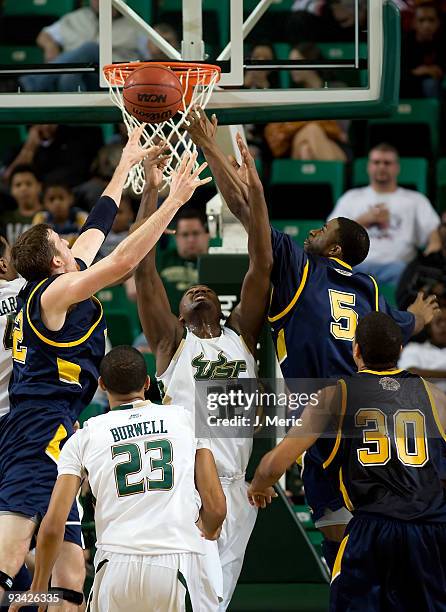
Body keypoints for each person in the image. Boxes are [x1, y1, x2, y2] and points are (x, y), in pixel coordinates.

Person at [184, 107, 439, 571]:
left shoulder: (303, 269)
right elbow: (397, 326)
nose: (314, 231)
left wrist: (209, 145)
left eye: (323, 231)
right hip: (367, 411)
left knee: (340, 539)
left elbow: (245, 209)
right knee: (385, 521)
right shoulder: (371, 291)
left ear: (335, 249)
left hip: (322, 411)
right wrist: (419, 318)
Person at [0, 126, 211, 609]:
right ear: (58, 261)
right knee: (8, 558)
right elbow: (120, 263)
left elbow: (98, 225)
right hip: (36, 428)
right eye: (64, 240)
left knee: (72, 572)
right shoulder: (53, 293)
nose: (75, 241)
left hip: (58, 430)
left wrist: (126, 164)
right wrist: (173, 202)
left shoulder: (56, 282)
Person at [134, 137, 273, 610]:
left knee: (216, 599)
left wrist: (253, 189)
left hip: (239, 489)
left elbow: (262, 261)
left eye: (208, 288)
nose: (200, 288)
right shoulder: (173, 343)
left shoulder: (242, 336)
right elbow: (142, 266)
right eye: (189, 290)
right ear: (176, 312)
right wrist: (153, 191)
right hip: (189, 487)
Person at [248, 311, 446, 611]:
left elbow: (273, 465)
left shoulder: (335, 397)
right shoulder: (435, 396)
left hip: (372, 530)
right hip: (431, 533)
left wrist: (259, 486)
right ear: (400, 351)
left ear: (355, 350)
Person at [10, 345, 226, 612]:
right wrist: (210, 527)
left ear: (101, 385)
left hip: (114, 564)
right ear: (147, 383)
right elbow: (216, 507)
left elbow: (54, 525)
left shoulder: (83, 438)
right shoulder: (185, 420)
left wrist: (39, 586)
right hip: (175, 563)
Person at [328, 142, 440, 285]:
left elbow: (434, 236)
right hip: (356, 267)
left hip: (398, 268)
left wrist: (427, 263)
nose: (381, 167)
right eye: (376, 162)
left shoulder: (415, 200)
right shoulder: (351, 198)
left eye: (387, 163)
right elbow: (330, 234)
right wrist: (362, 221)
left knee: (411, 276)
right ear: (369, 167)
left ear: (397, 168)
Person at [20, 0, 147, 92]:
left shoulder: (134, 25)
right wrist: (49, 45)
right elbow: (45, 34)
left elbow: (151, 54)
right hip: (79, 75)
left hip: (111, 80)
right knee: (68, 77)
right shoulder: (75, 18)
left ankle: (31, 83)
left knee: (91, 48)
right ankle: (75, 123)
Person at [400, 2, 446, 98]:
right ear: (414, 23)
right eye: (421, 20)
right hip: (409, 87)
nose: (426, 25)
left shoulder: (442, 41)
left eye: (431, 20)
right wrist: (425, 71)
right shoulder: (404, 42)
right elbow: (399, 73)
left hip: (436, 86)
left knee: (431, 84)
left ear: (438, 22)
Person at [399, 306, 446, 390]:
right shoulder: (413, 349)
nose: (444, 325)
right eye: (439, 321)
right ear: (429, 327)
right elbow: (410, 374)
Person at [33, 182, 87, 247]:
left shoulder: (80, 216)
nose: (57, 203)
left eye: (61, 198)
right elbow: (37, 241)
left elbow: (86, 239)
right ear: (44, 203)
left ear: (70, 199)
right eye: (51, 199)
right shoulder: (41, 217)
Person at [0, 165, 42, 245]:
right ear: (11, 190)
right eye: (18, 185)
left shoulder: (50, 215)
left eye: (28, 184)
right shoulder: (5, 219)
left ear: (39, 186)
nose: (23, 189)